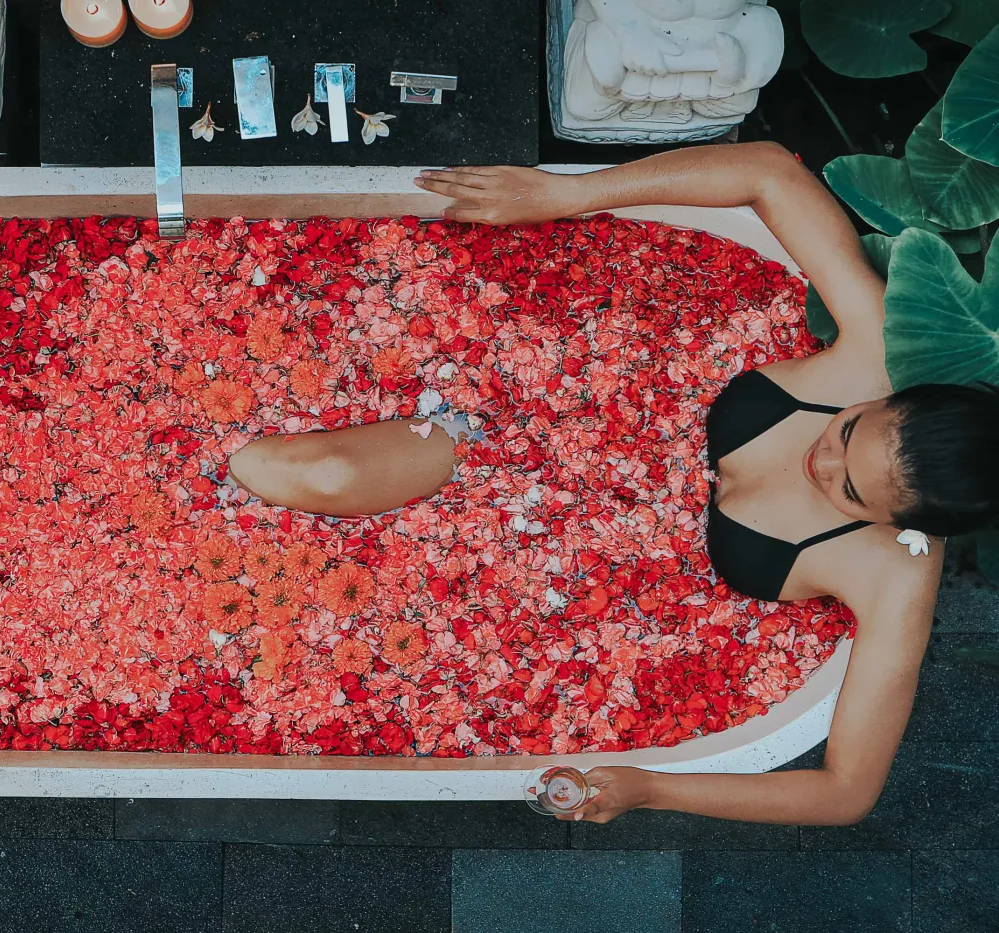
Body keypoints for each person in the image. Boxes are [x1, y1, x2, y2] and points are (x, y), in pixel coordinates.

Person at [226, 142, 999, 825]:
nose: (821, 464)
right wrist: (565, 194)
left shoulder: (898, 574)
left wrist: (652, 788)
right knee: (309, 461)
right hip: (540, 393)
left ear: (903, 523)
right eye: (849, 433)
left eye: (849, 494)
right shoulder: (876, 347)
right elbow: (768, 172)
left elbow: (845, 791)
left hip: (552, 592)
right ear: (891, 398)